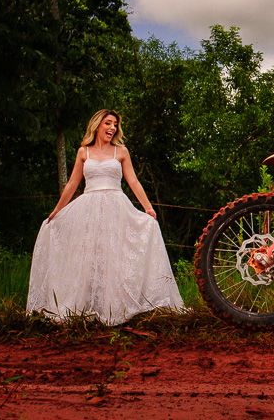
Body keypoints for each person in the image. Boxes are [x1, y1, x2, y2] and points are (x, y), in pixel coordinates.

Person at [27, 109, 184, 325]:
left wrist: (148, 208)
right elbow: (73, 184)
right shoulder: (84, 152)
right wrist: (56, 211)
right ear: (98, 124)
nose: (112, 128)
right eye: (108, 123)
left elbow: (134, 182)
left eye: (115, 125)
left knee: (114, 256)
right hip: (88, 208)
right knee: (88, 257)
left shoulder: (121, 152)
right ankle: (84, 308)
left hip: (116, 207)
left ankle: (114, 309)